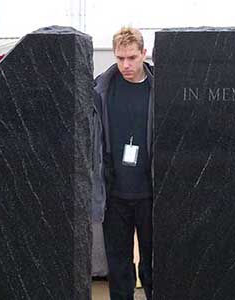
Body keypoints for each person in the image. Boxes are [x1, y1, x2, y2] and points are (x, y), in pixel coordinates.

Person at [94, 26, 154, 300]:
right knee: (118, 268)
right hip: (114, 193)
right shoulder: (102, 90)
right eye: (120, 58)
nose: (125, 65)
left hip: (150, 193)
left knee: (153, 266)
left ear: (144, 53)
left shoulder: (160, 89)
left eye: (131, 57)